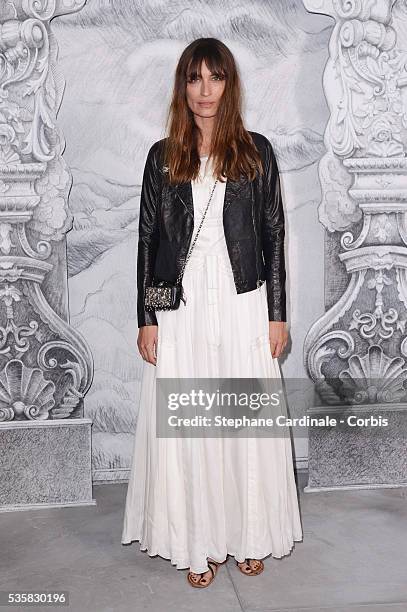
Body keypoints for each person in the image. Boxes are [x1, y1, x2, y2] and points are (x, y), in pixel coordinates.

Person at [122, 37, 303, 588]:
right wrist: (148, 318)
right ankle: (197, 542)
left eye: (215, 77)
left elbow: (273, 232)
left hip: (242, 298)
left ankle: (248, 535)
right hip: (182, 306)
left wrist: (277, 314)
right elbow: (149, 242)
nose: (205, 90)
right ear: (183, 86)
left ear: (229, 84)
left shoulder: (256, 151)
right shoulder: (162, 156)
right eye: (195, 78)